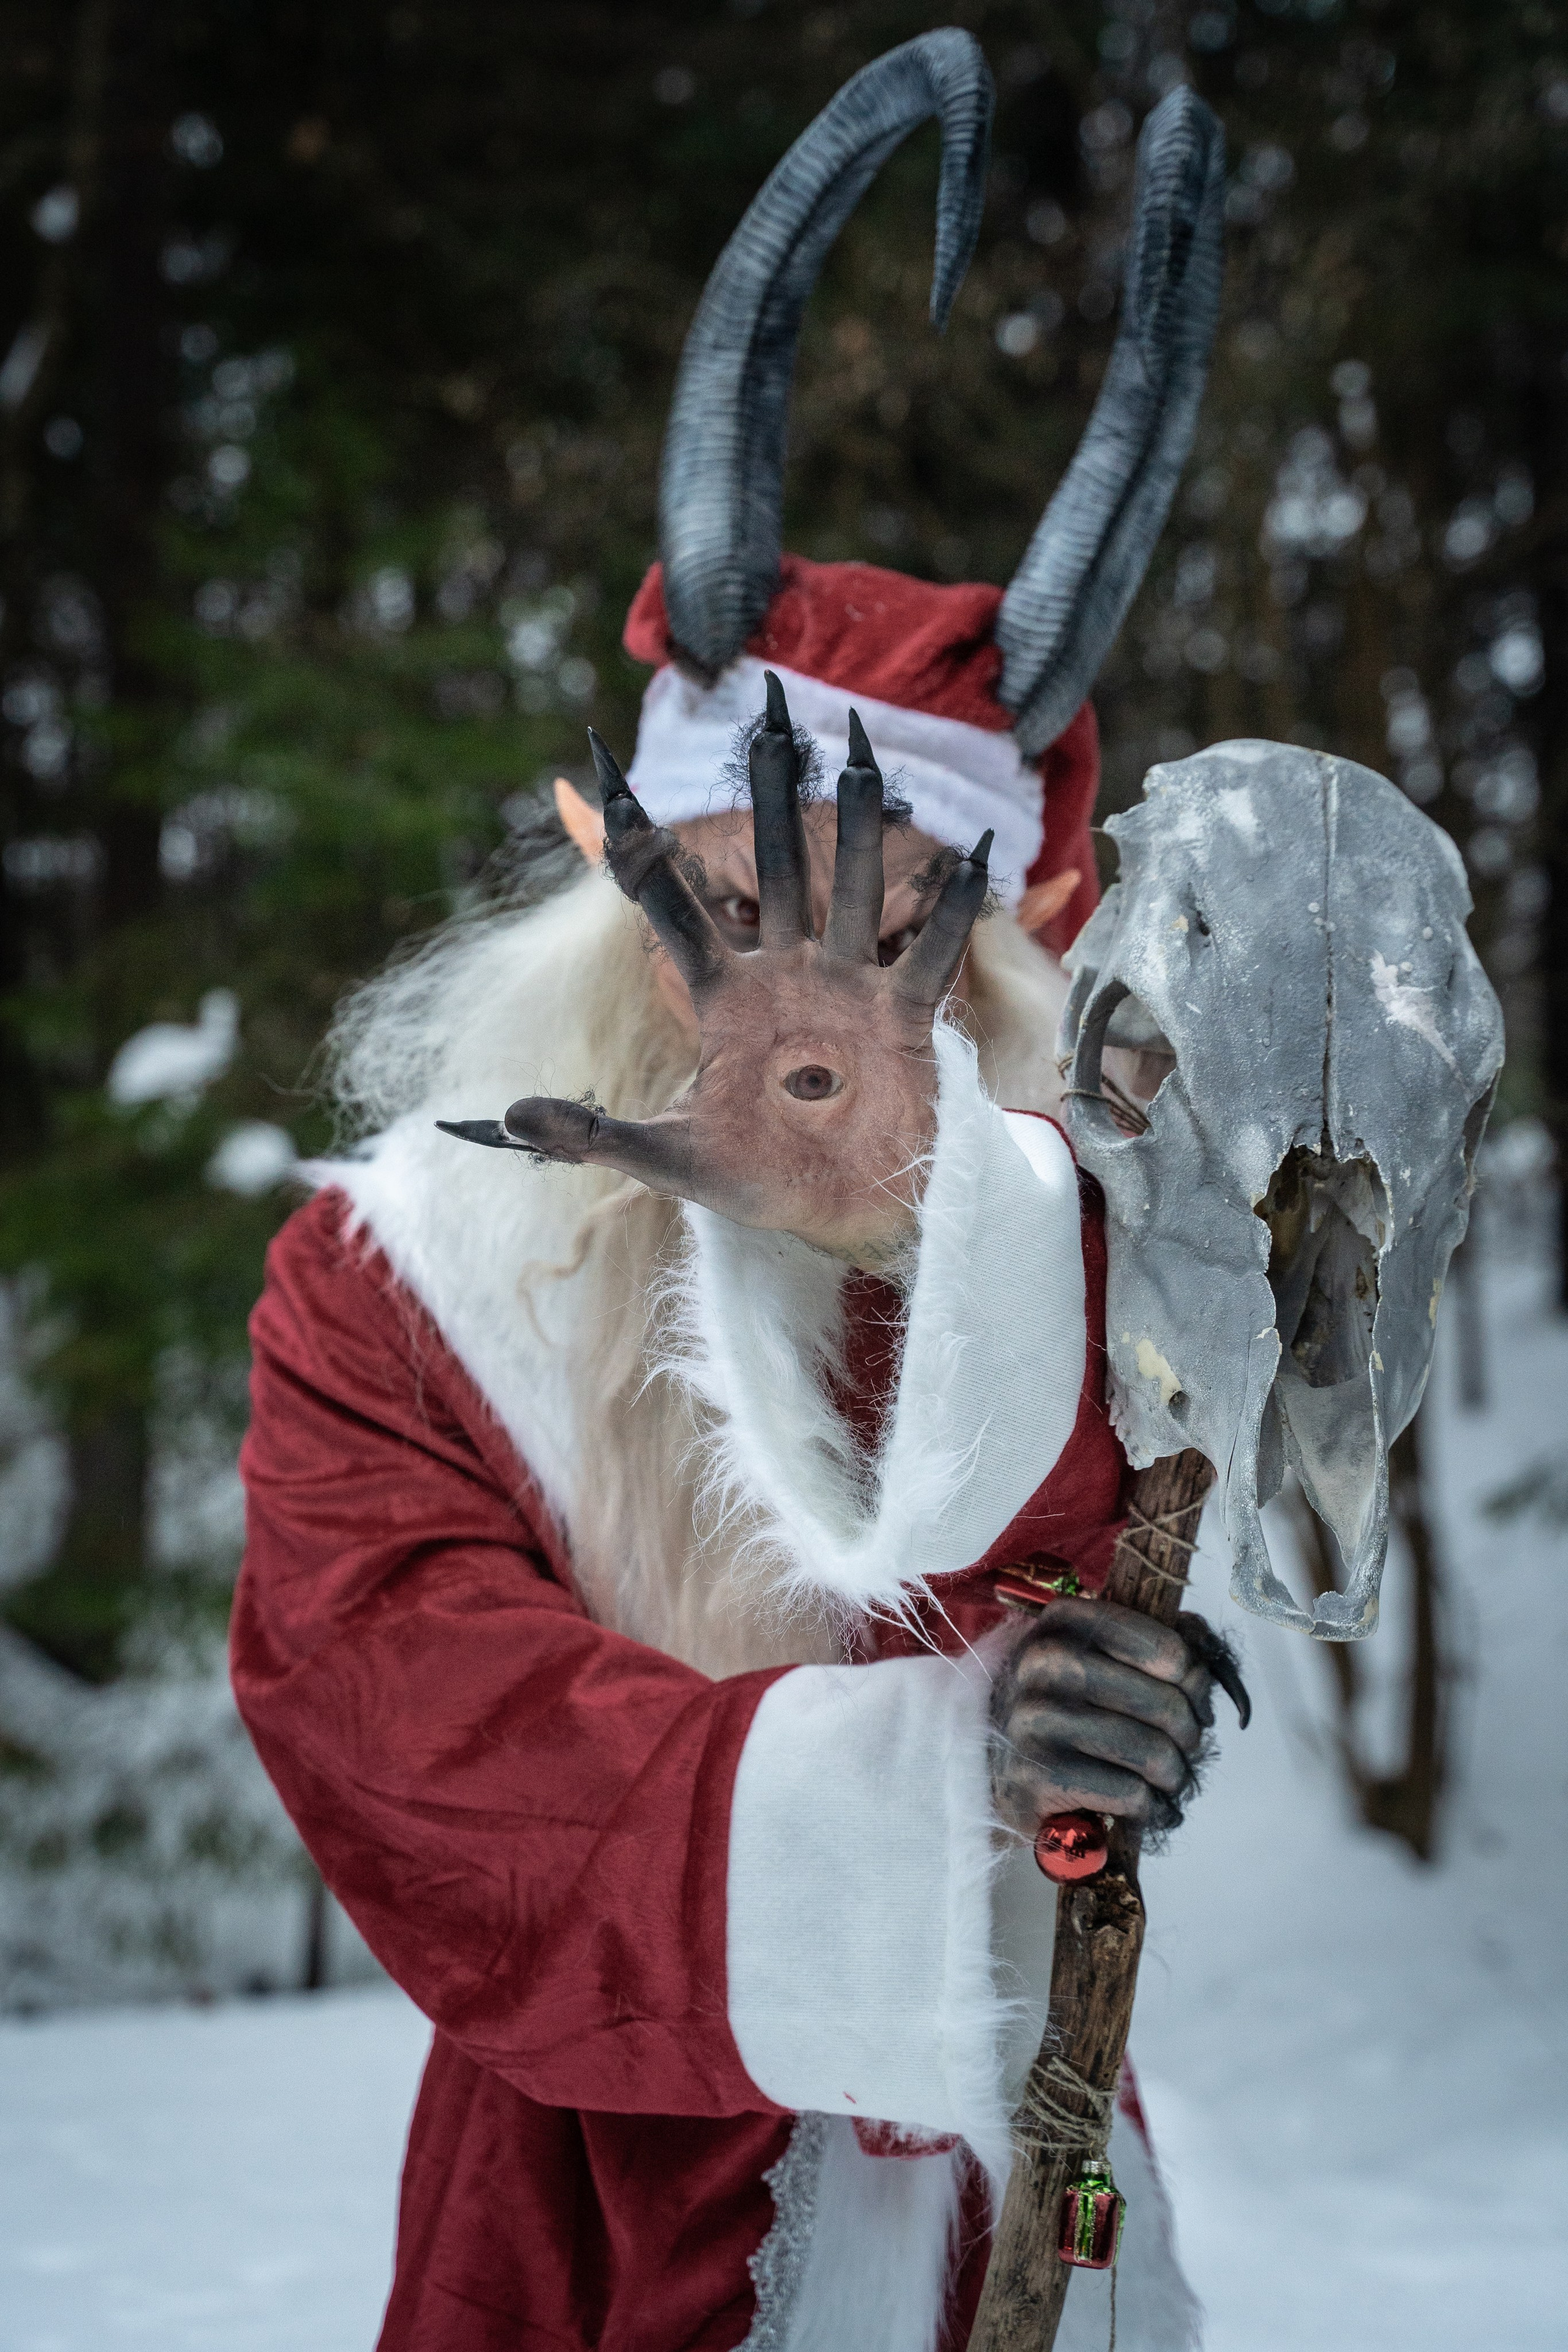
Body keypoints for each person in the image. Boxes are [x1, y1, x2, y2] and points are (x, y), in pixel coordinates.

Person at [232, 34, 1229, 2352]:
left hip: (1020, 2171)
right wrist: (942, 1775)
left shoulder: (1075, 1251)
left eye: (889, 928)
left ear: (989, 941)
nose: (801, 1002)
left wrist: (1095, 1705)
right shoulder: (392, 1282)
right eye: (737, 902)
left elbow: (1093, 1583)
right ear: (628, 888)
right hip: (577, 2216)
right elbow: (406, 1723)